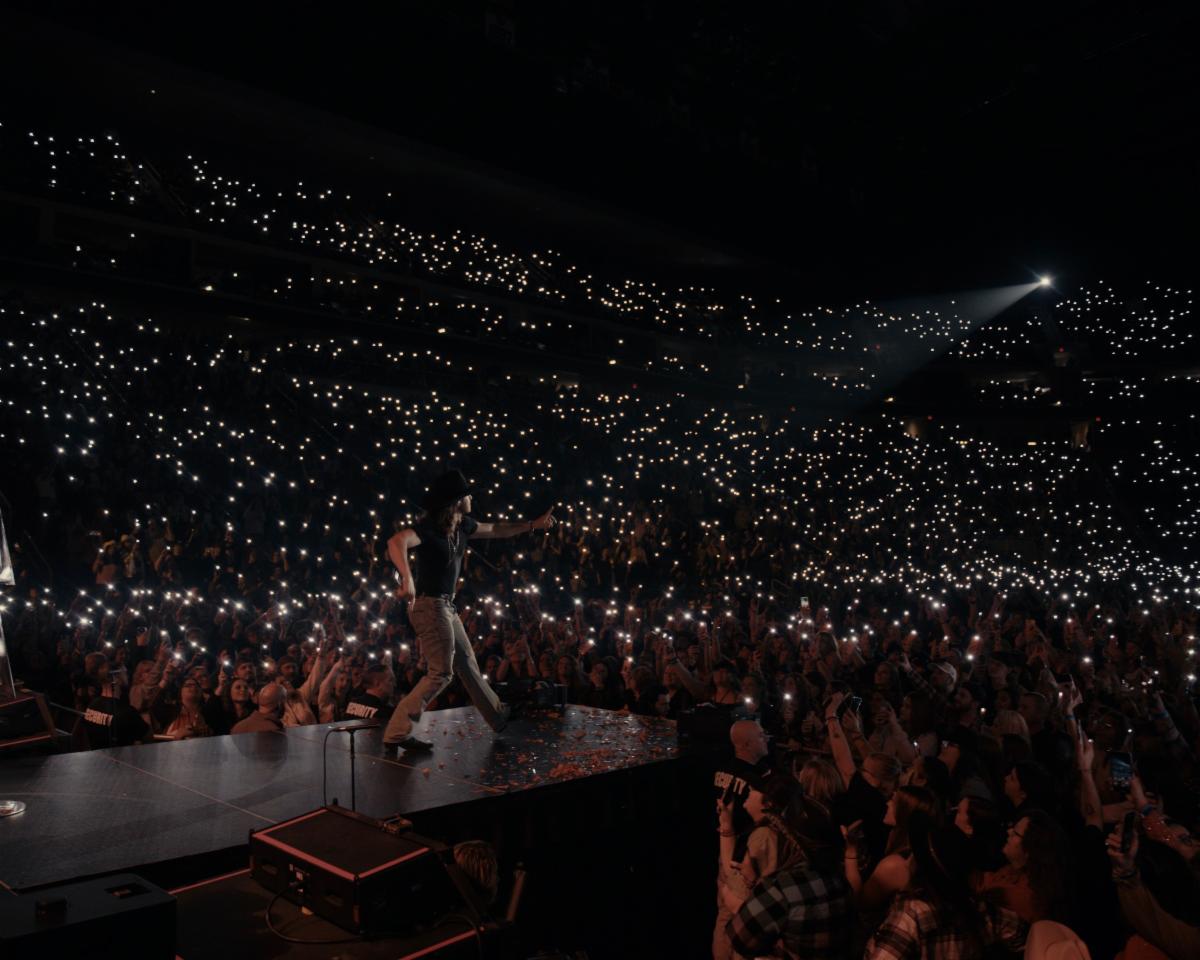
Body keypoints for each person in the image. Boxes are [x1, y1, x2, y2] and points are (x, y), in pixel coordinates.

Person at [382, 469, 554, 751]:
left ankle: (497, 715)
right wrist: (407, 577)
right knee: (441, 673)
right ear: (455, 502)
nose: (472, 498)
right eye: (467, 495)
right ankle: (397, 732)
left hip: (445, 606)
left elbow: (496, 530)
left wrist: (532, 525)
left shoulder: (462, 526)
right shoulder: (428, 530)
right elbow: (396, 542)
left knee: (466, 662)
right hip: (428, 605)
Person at [726, 796, 854, 960]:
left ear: (790, 842)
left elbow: (740, 939)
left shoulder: (780, 887)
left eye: (779, 830)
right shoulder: (839, 880)